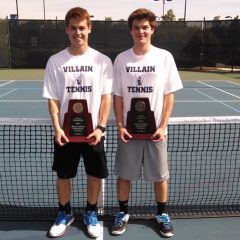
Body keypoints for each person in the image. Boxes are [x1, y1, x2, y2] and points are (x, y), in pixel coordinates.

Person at [111, 8, 183, 238]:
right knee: (124, 174)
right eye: (136, 27)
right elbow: (118, 96)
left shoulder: (164, 57)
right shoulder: (122, 59)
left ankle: (162, 214)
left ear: (152, 29)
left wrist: (162, 126)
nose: (140, 31)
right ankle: (123, 213)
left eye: (145, 27)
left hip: (156, 132)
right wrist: (121, 126)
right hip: (129, 131)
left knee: (160, 175)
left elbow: (168, 94)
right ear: (130, 31)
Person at [42, 7, 113, 238]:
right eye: (73, 28)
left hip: (93, 133)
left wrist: (101, 127)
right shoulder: (55, 61)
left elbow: (105, 98)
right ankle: (65, 212)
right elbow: (52, 98)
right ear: (66, 30)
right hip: (65, 133)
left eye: (82, 28)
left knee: (94, 174)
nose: (77, 32)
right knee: (63, 175)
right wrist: (57, 128)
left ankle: (91, 212)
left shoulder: (102, 61)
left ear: (89, 28)